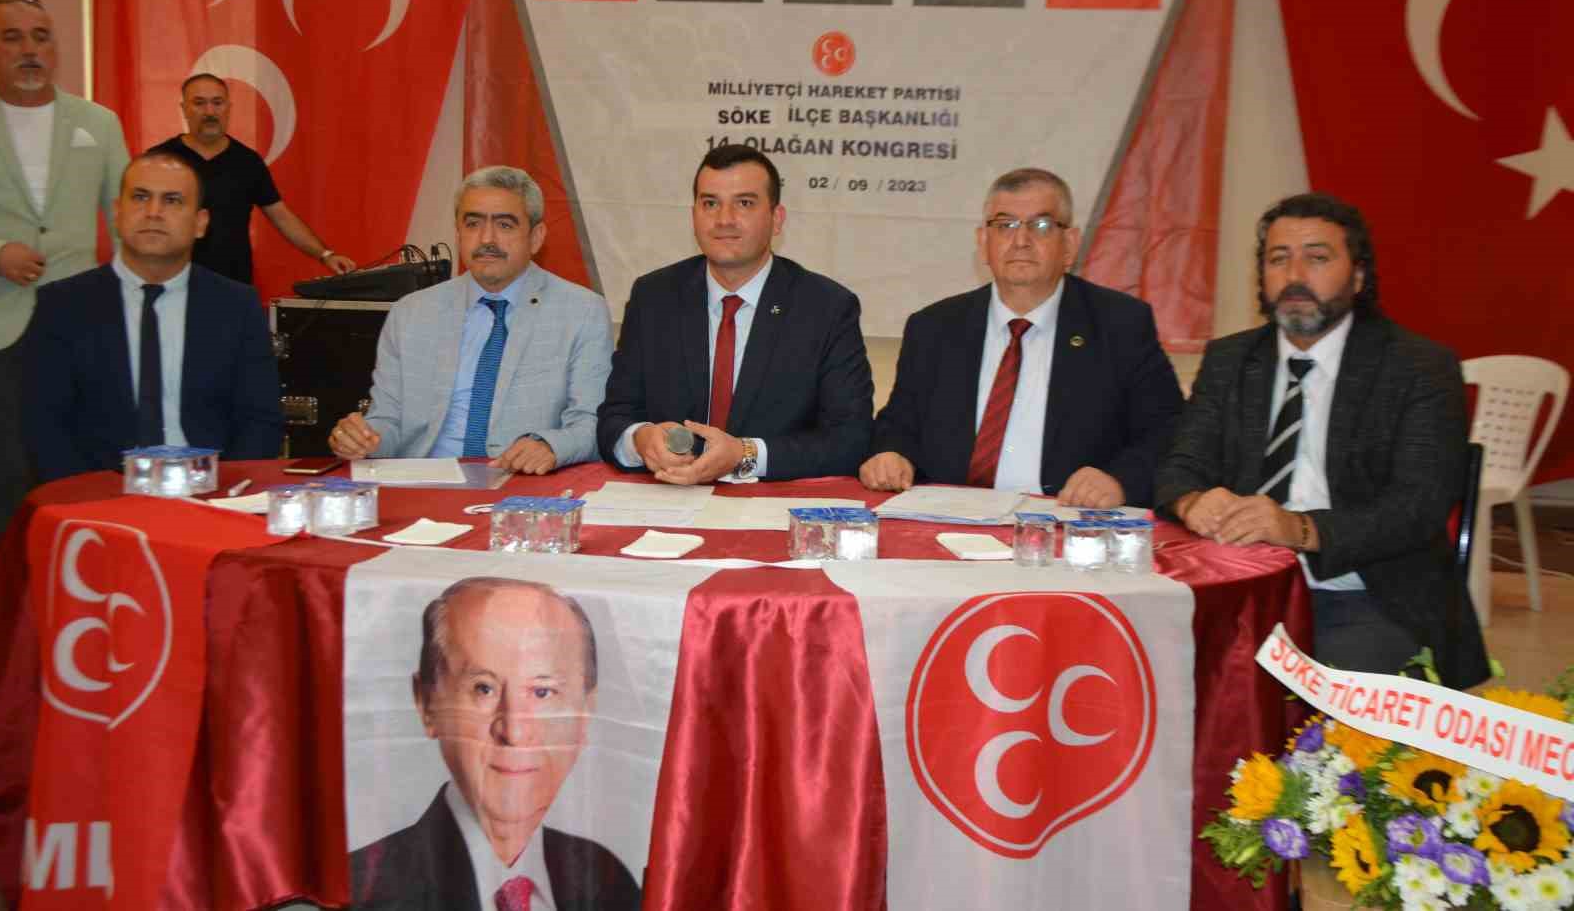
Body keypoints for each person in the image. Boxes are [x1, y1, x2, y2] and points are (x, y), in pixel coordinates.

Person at [1156, 192, 1489, 688]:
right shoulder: (1231, 359)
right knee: (1150, 672)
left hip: (1366, 594)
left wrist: (1299, 529)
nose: (1295, 276)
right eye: (1278, 259)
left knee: (1326, 703)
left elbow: (1418, 507)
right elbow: (1179, 465)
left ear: (1358, 276)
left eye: (1317, 258)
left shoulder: (1418, 367)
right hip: (1239, 590)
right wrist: (1192, 501)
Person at [862, 168, 1182, 506]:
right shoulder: (934, 327)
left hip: (1067, 519)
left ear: (1070, 244)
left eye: (1041, 226)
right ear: (983, 243)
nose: (1021, 240)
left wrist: (1119, 479)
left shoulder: (1120, 324)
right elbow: (899, 424)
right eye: (1005, 225)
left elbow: (1168, 430)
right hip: (950, 517)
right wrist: (890, 452)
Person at [351, 577, 641, 911]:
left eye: (543, 692)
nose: (514, 731)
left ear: (584, 714)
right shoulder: (367, 890)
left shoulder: (608, 881)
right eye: (483, 688)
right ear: (427, 704)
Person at [598, 143, 873, 484]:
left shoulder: (826, 308)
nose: (724, 220)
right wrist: (639, 439)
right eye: (710, 203)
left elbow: (850, 439)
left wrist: (745, 454)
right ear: (693, 216)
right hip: (668, 498)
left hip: (770, 503)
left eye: (744, 203)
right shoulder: (654, 297)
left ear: (776, 219)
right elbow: (614, 416)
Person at [329, 166, 611, 473]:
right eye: (473, 223)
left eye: (505, 225)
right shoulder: (411, 313)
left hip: (522, 482)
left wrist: (550, 446)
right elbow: (388, 420)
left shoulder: (581, 311)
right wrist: (363, 440)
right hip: (424, 479)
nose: (486, 238)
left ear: (536, 237)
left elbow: (591, 423)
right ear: (458, 232)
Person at [0, 0, 130, 550]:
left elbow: (127, 216)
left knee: (81, 466)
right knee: (4, 471)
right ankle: (10, 592)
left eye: (41, 36)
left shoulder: (98, 122)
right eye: (12, 37)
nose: (30, 50)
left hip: (82, 320)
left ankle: (79, 583)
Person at [23, 151, 283, 482]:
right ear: (117, 213)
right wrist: (92, 498)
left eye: (172, 201)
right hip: (97, 495)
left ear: (200, 223)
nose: (154, 212)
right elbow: (43, 426)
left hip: (211, 491)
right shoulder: (61, 305)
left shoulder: (237, 305)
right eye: (140, 197)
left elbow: (261, 421)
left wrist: (223, 491)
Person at [148, 73, 354, 285]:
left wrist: (325, 255)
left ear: (228, 107)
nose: (209, 111)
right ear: (184, 109)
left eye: (217, 102)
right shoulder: (157, 161)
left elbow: (281, 216)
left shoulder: (247, 161)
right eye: (199, 103)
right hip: (169, 284)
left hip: (232, 286)